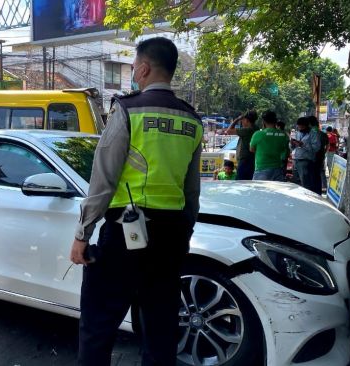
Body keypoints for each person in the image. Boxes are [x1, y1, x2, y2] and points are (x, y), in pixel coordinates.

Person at [69, 37, 203, 366]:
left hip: (126, 234)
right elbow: (192, 192)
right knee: (160, 327)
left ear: (143, 69)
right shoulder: (192, 120)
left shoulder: (128, 109)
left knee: (99, 323)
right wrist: (182, 236)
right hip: (171, 237)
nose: (133, 73)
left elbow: (103, 179)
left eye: (133, 68)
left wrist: (82, 233)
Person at [249, 110, 290, 181]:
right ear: (275, 121)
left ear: (263, 121)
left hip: (261, 169)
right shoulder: (284, 135)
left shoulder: (258, 134)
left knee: (260, 191)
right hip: (278, 169)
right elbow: (285, 150)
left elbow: (251, 149)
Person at [222, 110, 257, 179]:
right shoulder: (256, 128)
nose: (241, 122)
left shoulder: (247, 130)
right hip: (252, 160)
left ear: (247, 120)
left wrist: (236, 119)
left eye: (242, 120)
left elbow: (228, 131)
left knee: (241, 182)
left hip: (244, 161)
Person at [291, 117, 321, 193]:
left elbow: (316, 148)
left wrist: (303, 145)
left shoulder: (313, 133)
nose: (300, 128)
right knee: (297, 182)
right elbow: (293, 147)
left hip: (307, 160)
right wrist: (292, 144)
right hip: (296, 159)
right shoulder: (297, 133)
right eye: (299, 126)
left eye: (302, 126)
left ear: (306, 126)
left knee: (306, 183)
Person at [310, 117, 328, 192]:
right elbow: (327, 145)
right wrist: (323, 153)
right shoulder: (323, 134)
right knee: (319, 175)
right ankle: (319, 191)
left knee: (311, 177)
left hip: (311, 158)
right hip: (320, 157)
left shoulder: (310, 133)